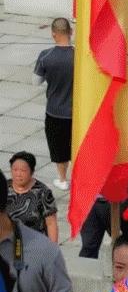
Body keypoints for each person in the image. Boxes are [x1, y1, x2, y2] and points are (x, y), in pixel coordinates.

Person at [32, 17, 73, 191]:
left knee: (58, 147)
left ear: (53, 34)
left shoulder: (46, 56)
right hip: (77, 112)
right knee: (77, 147)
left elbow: (36, 82)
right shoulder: (80, 55)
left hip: (55, 111)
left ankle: (63, 179)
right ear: (70, 32)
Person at [5, 153, 58, 242]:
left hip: (33, 243)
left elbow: (51, 224)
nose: (18, 174)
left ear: (32, 172)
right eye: (15, 170)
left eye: (23, 170)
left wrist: (53, 250)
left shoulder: (43, 192)